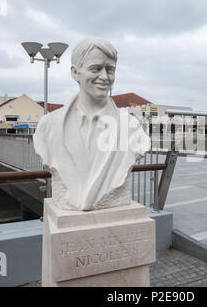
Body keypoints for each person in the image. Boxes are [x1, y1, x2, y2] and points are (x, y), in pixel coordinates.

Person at [33, 37, 150, 211]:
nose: (104, 77)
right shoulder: (48, 126)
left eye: (110, 70)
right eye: (95, 68)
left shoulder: (131, 127)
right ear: (75, 73)